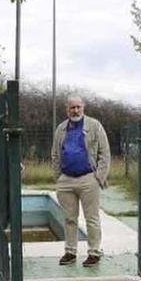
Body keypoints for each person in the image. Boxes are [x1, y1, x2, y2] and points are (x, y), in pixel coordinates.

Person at [51, 96, 111, 267]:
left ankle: (94, 252)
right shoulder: (61, 129)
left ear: (83, 107)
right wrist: (59, 176)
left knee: (91, 218)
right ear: (67, 109)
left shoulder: (94, 126)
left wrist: (99, 177)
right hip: (66, 179)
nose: (75, 111)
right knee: (69, 218)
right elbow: (55, 154)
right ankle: (70, 252)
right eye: (72, 108)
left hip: (88, 178)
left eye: (78, 107)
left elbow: (104, 154)